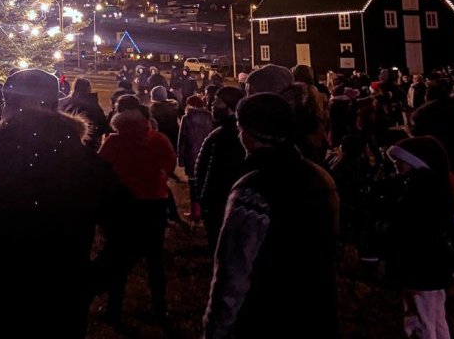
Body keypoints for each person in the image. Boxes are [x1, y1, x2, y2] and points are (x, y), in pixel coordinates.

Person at [0, 68, 121, 339]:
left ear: (8, 107)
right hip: (60, 303)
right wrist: (89, 282)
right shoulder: (89, 166)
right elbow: (127, 230)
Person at [202, 92, 339, 339]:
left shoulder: (252, 189)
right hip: (317, 313)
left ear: (245, 131)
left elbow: (233, 273)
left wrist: (215, 329)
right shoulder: (319, 177)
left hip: (266, 318)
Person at [97, 93, 177, 324]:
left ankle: (114, 308)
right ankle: (160, 308)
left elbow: (101, 168)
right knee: (154, 258)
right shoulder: (158, 139)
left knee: (119, 257)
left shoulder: (112, 142)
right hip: (154, 202)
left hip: (122, 205)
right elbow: (169, 164)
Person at [382, 136, 454, 339]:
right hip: (432, 265)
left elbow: (409, 227)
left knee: (421, 316)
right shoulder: (432, 187)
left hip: (420, 265)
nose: (396, 164)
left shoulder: (419, 190)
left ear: (415, 161)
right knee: (435, 314)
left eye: (400, 160)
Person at [193, 86, 246, 252]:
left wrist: (204, 200)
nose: (212, 104)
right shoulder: (225, 132)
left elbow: (213, 172)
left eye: (218, 101)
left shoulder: (225, 135)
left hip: (220, 202)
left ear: (230, 107)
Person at [58, 76, 109, 150]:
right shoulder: (92, 104)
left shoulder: (67, 104)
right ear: (88, 89)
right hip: (89, 143)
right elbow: (103, 125)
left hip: (69, 143)